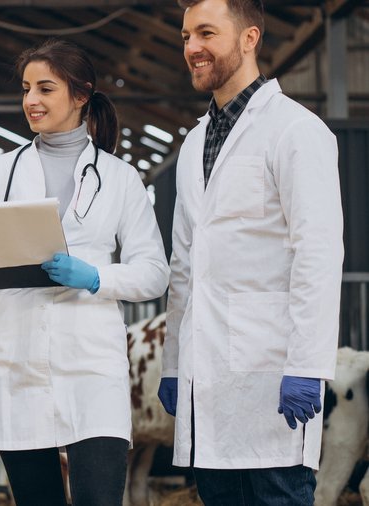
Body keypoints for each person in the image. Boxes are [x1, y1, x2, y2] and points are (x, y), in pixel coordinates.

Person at [0, 39, 169, 506]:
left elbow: (153, 272)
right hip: (15, 365)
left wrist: (97, 277)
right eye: (26, 89)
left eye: (45, 88)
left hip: (90, 365)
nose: (31, 100)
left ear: (81, 95)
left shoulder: (120, 178)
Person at [157, 0, 344, 504]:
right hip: (205, 385)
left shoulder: (295, 130)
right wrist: (173, 363)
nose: (192, 47)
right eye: (186, 36)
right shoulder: (193, 143)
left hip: (273, 377)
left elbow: (318, 253)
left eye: (206, 33)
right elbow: (183, 266)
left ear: (249, 38)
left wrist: (307, 364)